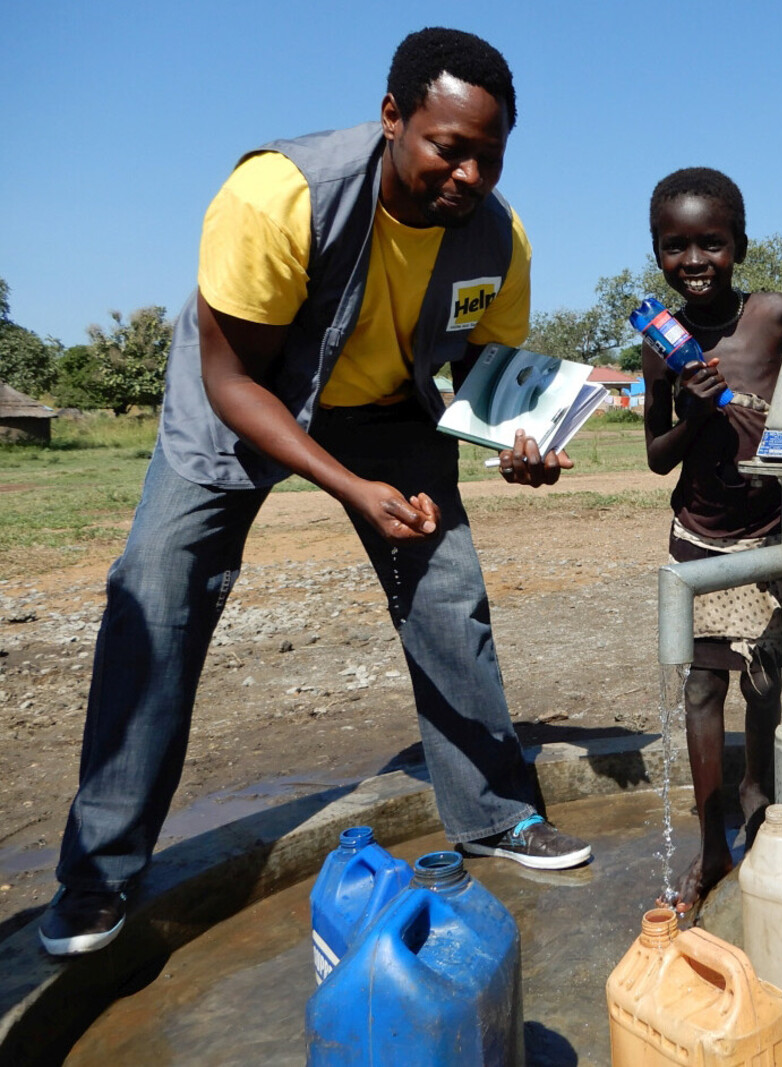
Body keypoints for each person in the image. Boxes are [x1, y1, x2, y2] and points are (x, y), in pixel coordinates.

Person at [41, 28, 591, 958]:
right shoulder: (278, 197)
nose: (466, 174)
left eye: (487, 156)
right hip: (244, 395)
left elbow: (485, 376)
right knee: (158, 594)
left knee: (447, 591)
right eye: (446, 147)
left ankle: (496, 812)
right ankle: (99, 871)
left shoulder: (500, 236)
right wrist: (349, 486)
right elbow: (230, 380)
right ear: (391, 118)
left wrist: (520, 445)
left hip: (387, 408)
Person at [641, 168, 782, 914]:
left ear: (739, 245)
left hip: (768, 532)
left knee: (764, 683)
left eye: (711, 243)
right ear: (657, 252)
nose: (694, 260)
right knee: (703, 687)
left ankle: (758, 807)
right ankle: (709, 848)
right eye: (676, 247)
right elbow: (656, 456)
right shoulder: (659, 343)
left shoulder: (772, 316)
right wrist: (696, 412)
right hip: (697, 536)